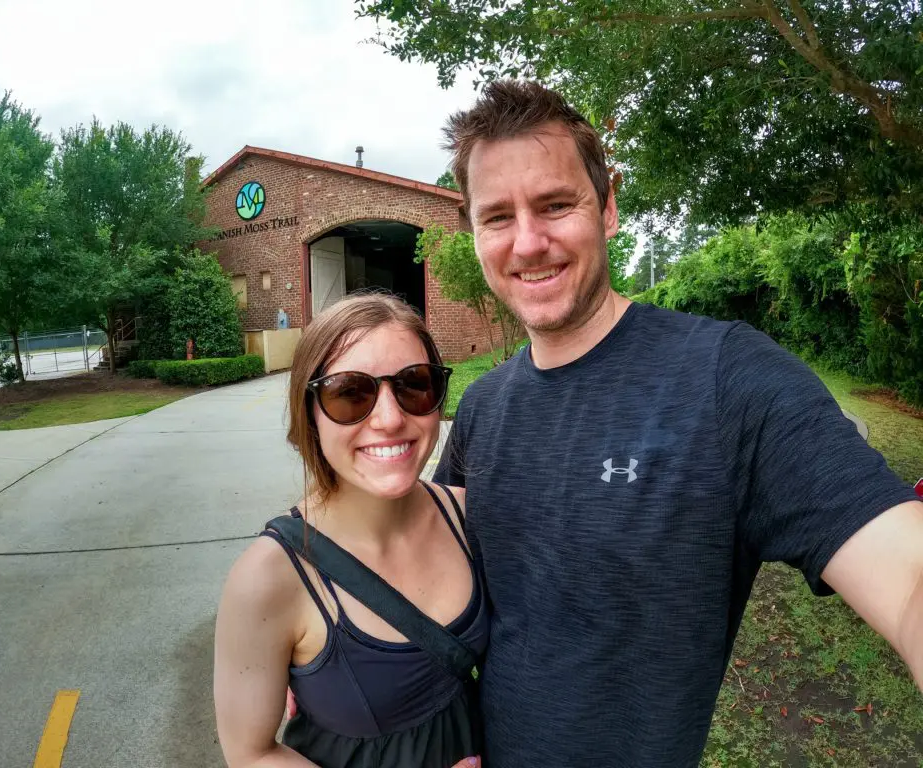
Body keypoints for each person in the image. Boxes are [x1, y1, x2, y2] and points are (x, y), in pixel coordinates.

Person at [432, 80, 923, 767]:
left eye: (554, 205)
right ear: (474, 231)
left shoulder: (724, 378)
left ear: (608, 206)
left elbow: (907, 576)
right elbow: (418, 580)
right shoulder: (483, 408)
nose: (529, 242)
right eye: (497, 217)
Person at [214, 294, 487, 768]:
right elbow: (250, 753)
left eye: (414, 385)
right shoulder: (270, 576)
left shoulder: (467, 519)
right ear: (310, 412)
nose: (389, 419)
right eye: (350, 393)